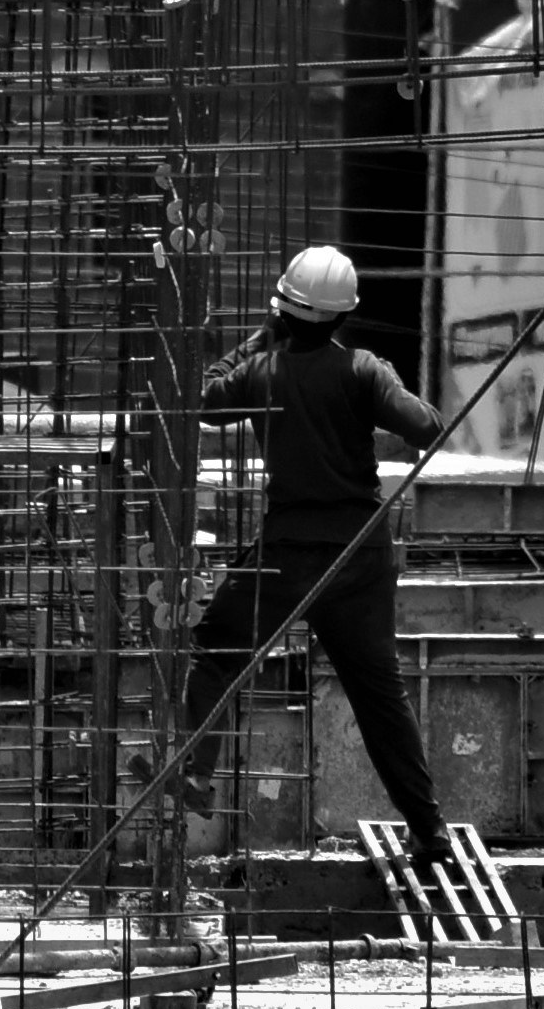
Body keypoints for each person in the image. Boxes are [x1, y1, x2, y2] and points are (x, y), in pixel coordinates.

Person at [182, 243, 453, 866]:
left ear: (284, 310)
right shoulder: (363, 369)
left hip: (290, 554)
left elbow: (203, 398)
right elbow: (426, 426)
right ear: (342, 315)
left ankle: (195, 772)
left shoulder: (262, 372)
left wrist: (256, 338)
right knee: (380, 696)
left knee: (218, 649)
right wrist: (381, 379)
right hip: (360, 554)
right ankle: (429, 831)